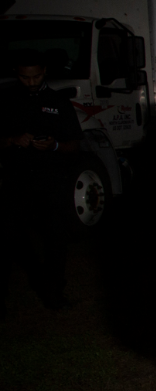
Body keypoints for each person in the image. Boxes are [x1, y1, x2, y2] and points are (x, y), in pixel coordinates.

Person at [0, 50, 83, 311]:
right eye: (25, 78)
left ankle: (54, 294)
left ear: (44, 71)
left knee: (56, 240)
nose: (32, 82)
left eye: (36, 76)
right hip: (16, 182)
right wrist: (13, 140)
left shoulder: (58, 101)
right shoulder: (6, 100)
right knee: (9, 240)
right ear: (17, 74)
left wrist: (55, 145)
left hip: (51, 183)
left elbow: (75, 144)